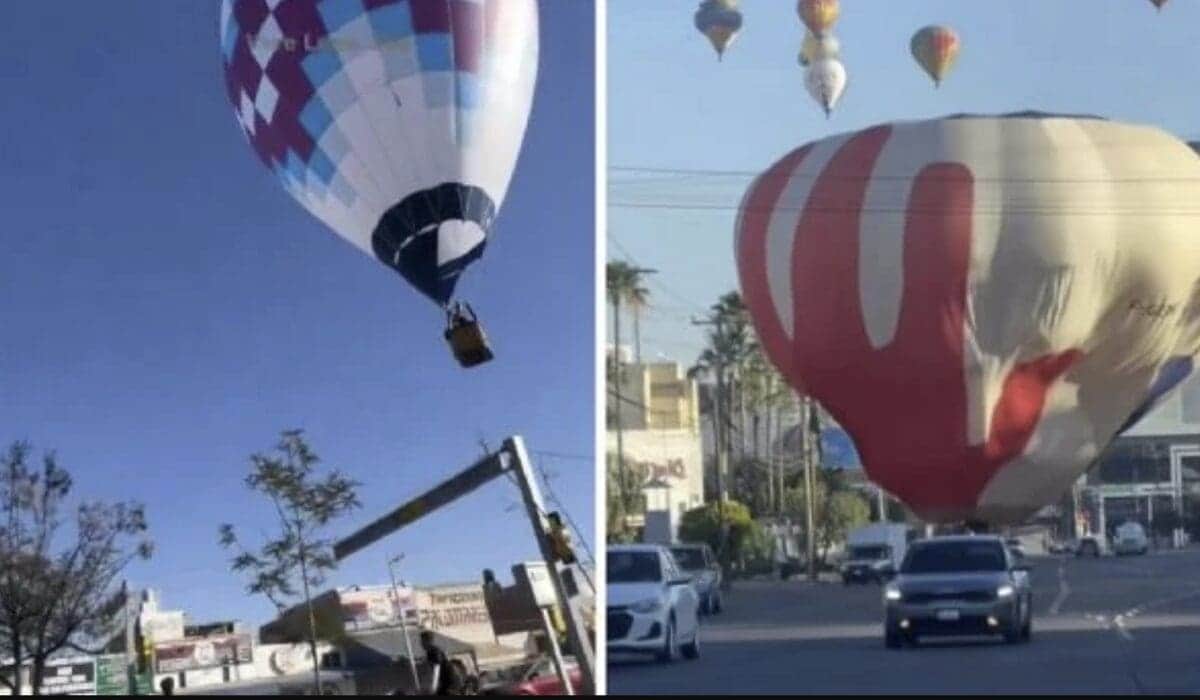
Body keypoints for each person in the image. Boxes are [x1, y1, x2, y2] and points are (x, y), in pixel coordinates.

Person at [420, 630, 465, 695]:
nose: (421, 644)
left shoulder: (435, 652)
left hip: (451, 681)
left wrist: (433, 687)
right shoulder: (429, 652)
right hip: (445, 681)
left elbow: (436, 669)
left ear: (428, 641)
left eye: (422, 641)